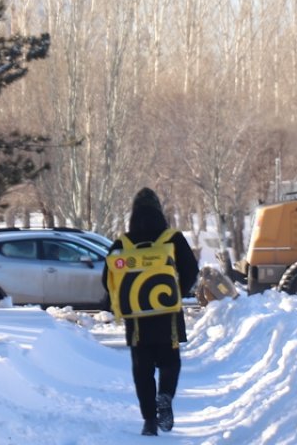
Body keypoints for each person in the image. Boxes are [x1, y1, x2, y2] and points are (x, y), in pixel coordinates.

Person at [104, 187, 199, 436]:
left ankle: (149, 421)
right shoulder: (173, 238)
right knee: (170, 363)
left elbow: (107, 278)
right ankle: (165, 396)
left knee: (142, 370)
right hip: (168, 315)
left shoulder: (122, 243)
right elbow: (191, 269)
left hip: (137, 320)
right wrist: (176, 292)